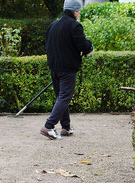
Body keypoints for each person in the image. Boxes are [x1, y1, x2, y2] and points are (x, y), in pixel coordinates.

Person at [40, 0, 92, 140]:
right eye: (79, 11)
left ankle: (66, 127)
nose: (79, 13)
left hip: (54, 67)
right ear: (75, 11)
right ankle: (49, 126)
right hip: (68, 68)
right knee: (65, 97)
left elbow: (48, 45)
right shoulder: (74, 26)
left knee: (61, 97)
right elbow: (83, 45)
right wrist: (90, 46)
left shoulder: (53, 25)